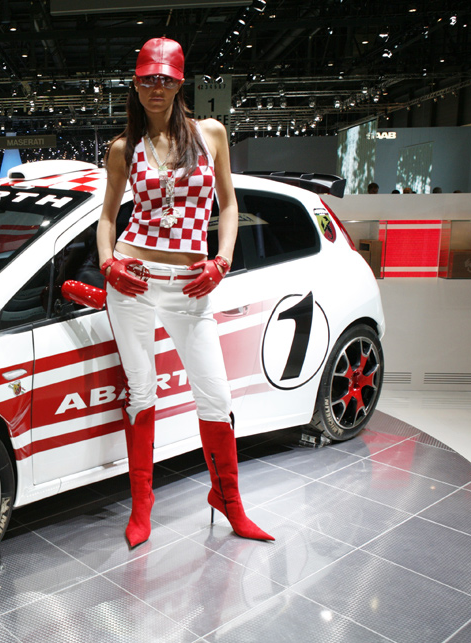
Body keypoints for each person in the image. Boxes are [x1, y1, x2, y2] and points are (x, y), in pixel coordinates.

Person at [81, 37, 273, 547]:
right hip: (135, 282)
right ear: (135, 83)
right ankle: (141, 505)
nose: (156, 87)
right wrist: (108, 264)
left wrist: (222, 260)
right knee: (141, 391)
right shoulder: (123, 148)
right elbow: (107, 217)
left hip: (191, 284)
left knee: (215, 395)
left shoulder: (210, 135)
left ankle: (228, 500)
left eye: (165, 79)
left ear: (180, 83)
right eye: (148, 79)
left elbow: (228, 205)